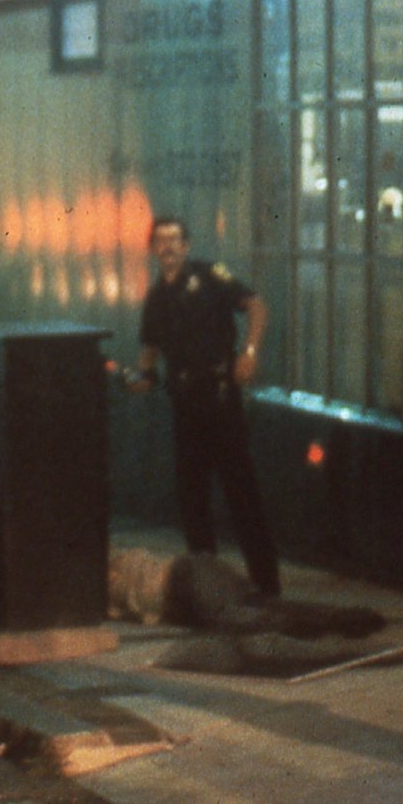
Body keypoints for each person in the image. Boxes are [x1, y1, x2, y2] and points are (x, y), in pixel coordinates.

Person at [126, 215, 281, 599]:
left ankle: (267, 586)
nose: (168, 247)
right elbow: (150, 351)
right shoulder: (156, 298)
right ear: (153, 249)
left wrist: (249, 351)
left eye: (175, 240)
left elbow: (256, 306)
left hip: (219, 397)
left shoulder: (209, 276)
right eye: (161, 241)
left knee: (240, 490)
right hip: (184, 403)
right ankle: (208, 589)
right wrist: (142, 376)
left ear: (187, 246)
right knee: (191, 496)